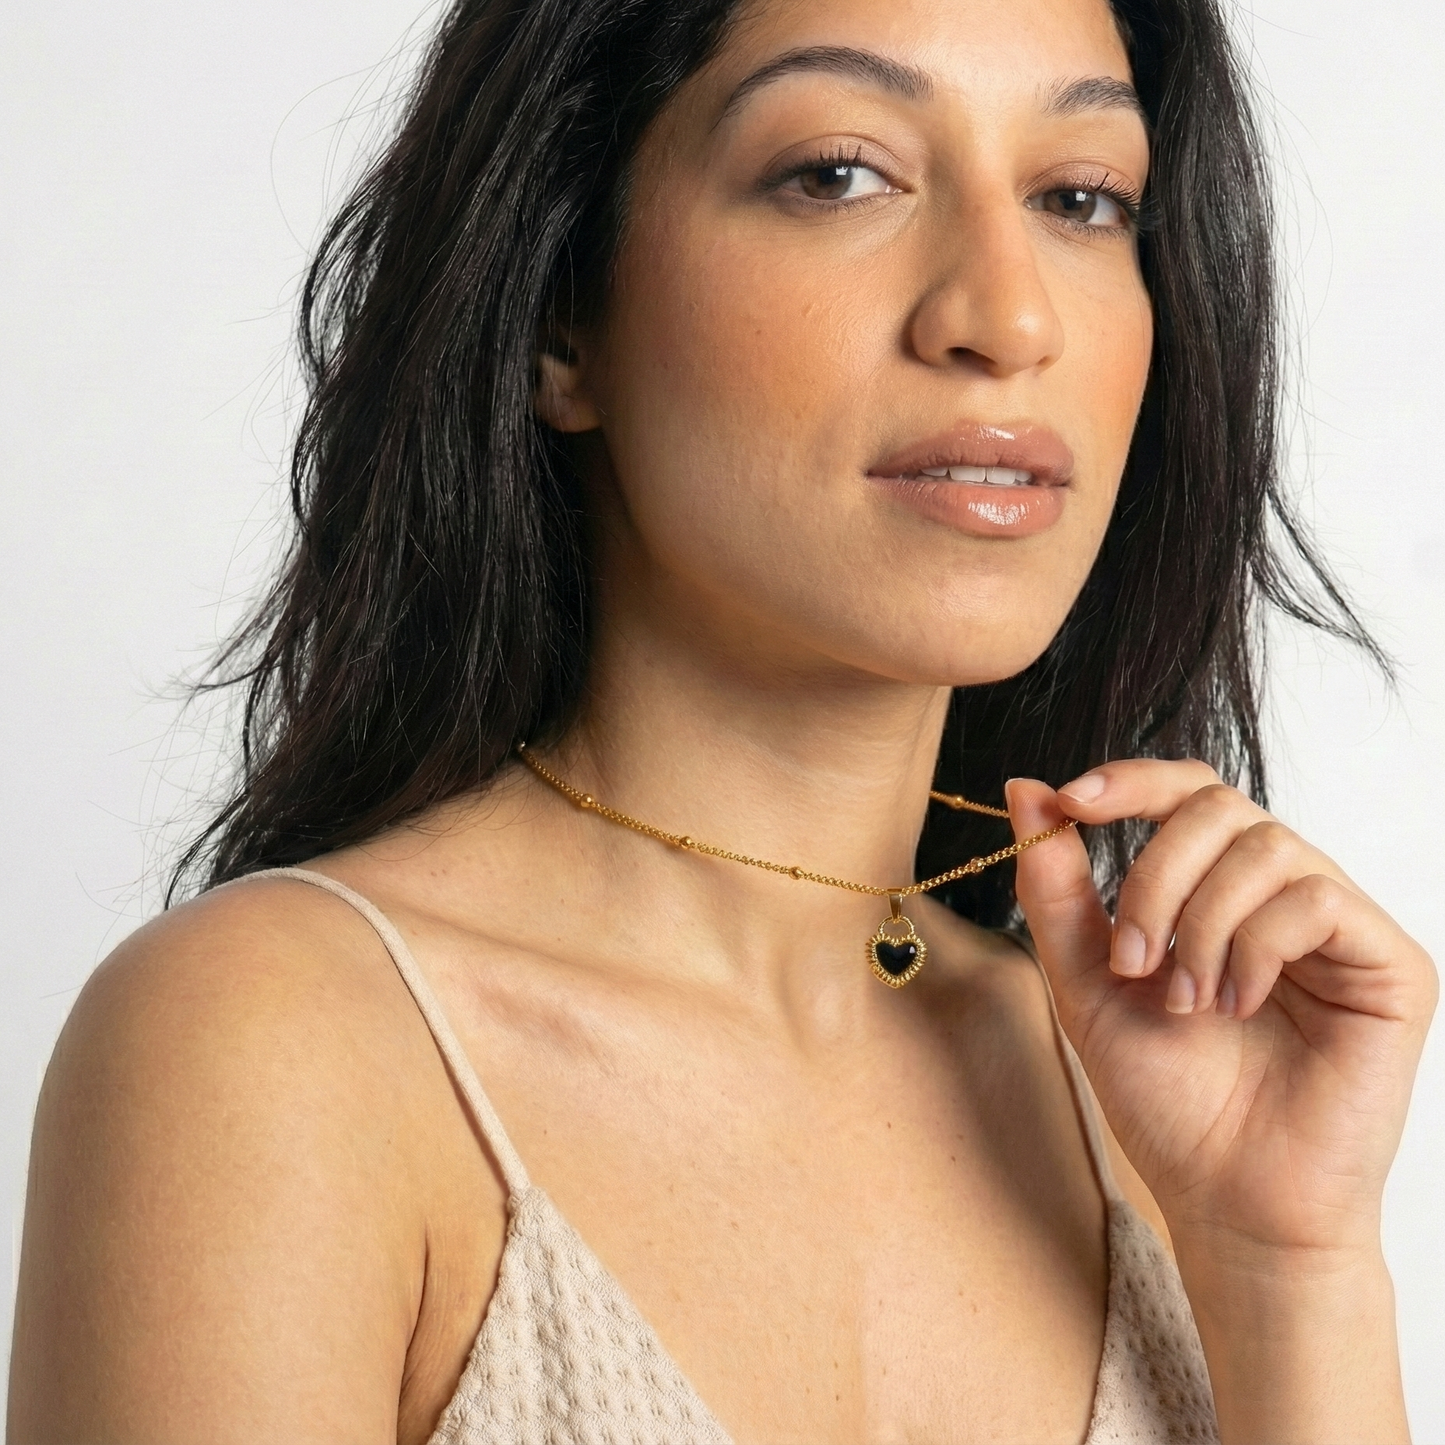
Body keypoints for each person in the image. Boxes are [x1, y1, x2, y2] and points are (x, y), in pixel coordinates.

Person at [7, 0, 1435, 1439]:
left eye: (1080, 197)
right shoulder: (284, 1051)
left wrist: (1289, 1266)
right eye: (837, 173)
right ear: (566, 315)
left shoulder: (1167, 1105)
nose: (1009, 318)